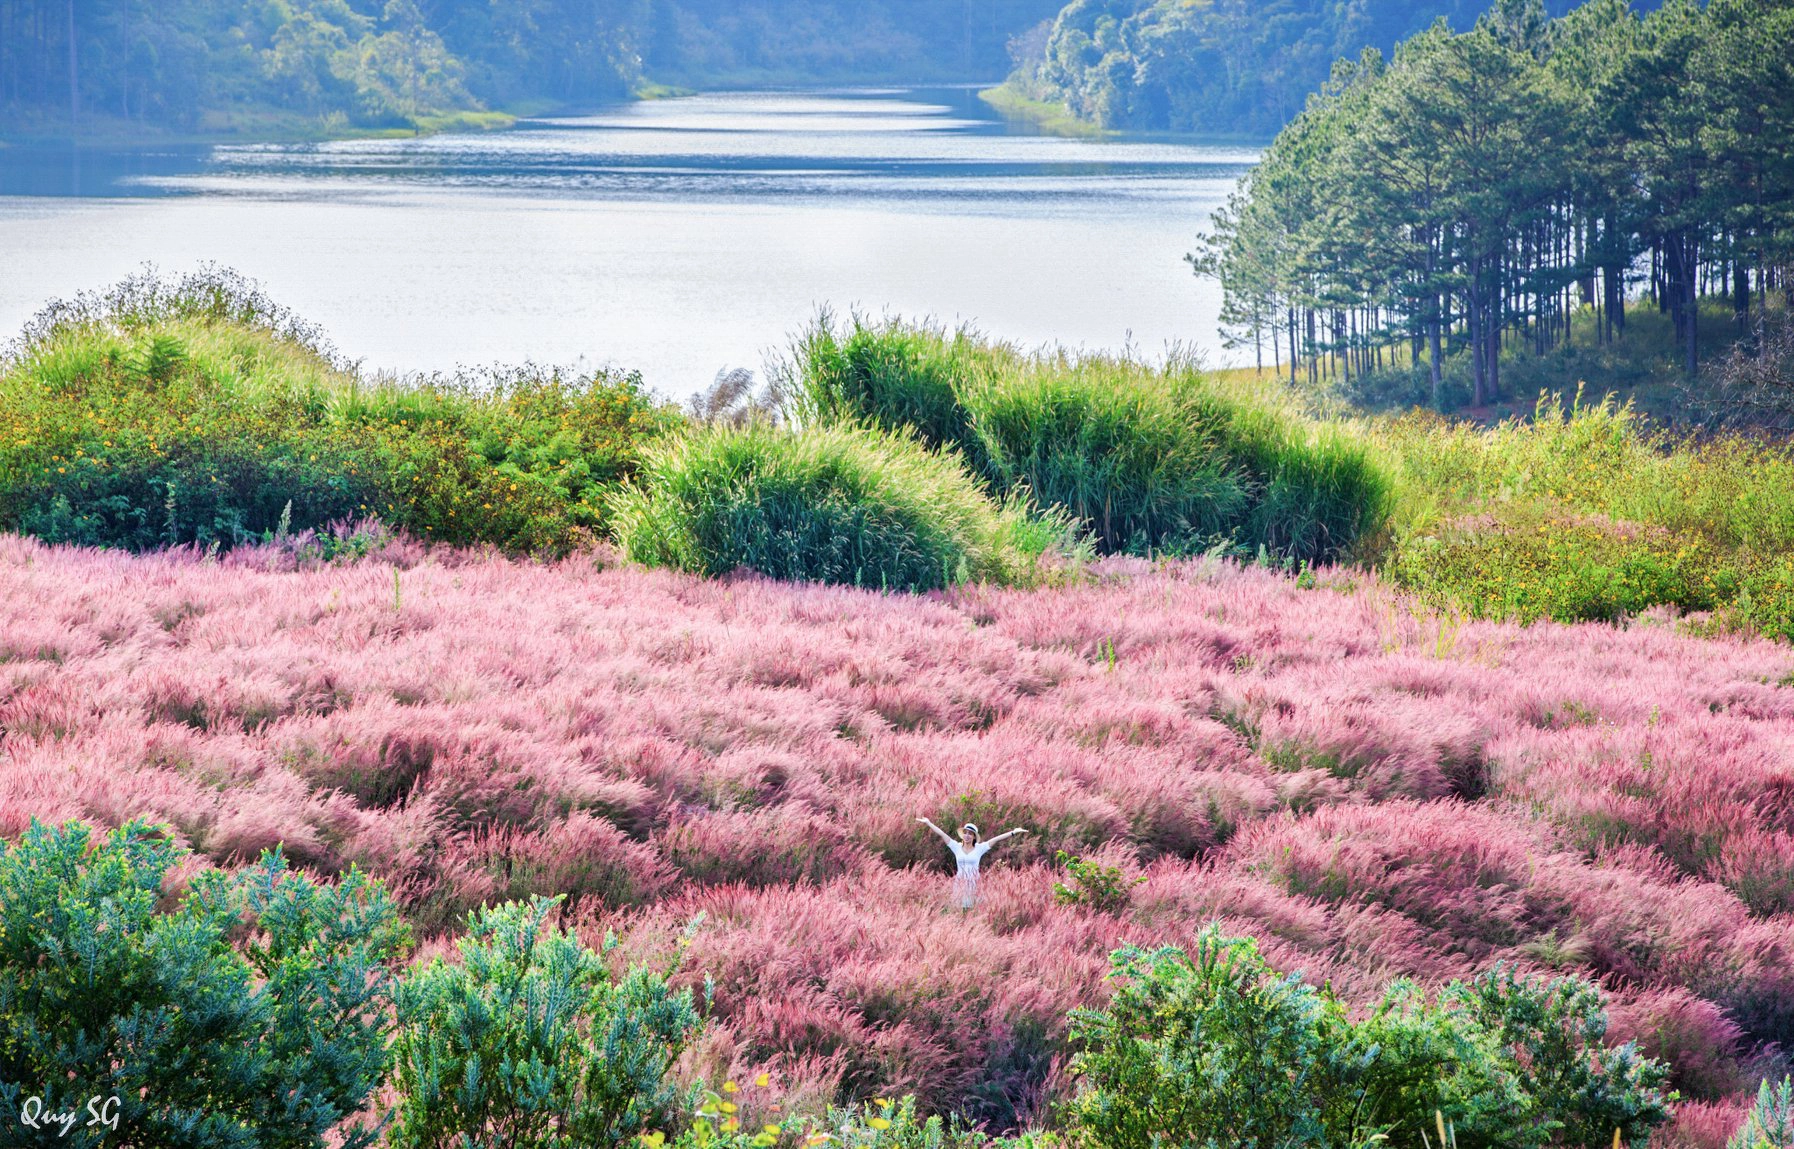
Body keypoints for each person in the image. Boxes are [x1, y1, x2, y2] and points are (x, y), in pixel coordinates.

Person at [918, 817, 1027, 910]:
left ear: (974, 836)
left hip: (973, 882)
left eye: (970, 834)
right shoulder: (956, 847)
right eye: (965, 833)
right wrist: (928, 822)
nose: (967, 835)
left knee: (972, 909)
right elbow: (942, 834)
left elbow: (996, 839)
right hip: (959, 882)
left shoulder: (980, 848)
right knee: (958, 909)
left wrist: (1013, 832)